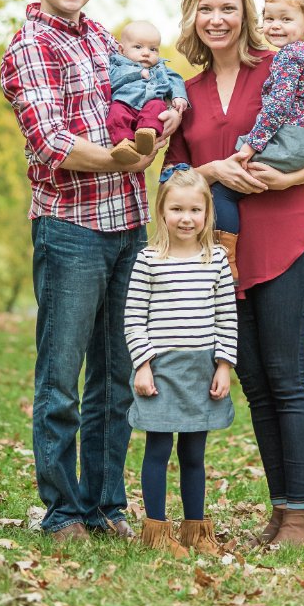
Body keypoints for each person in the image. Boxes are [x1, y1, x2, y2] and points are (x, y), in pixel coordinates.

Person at [0, 0, 182, 544]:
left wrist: (168, 114)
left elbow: (148, 91)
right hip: (71, 230)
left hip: (128, 228)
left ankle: (106, 506)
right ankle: (62, 511)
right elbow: (48, 141)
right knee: (60, 377)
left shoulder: (105, 38)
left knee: (116, 375)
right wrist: (120, 160)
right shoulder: (30, 45)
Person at [166, 0, 304, 547]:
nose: (217, 19)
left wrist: (282, 179)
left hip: (287, 237)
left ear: (247, 15)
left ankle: (300, 517)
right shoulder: (183, 92)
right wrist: (208, 171)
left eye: (228, 8)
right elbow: (171, 172)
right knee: (253, 381)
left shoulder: (283, 64)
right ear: (193, 16)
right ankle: (280, 509)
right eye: (205, 8)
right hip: (221, 258)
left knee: (286, 377)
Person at [124, 166, 237, 558]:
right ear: (162, 211)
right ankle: (156, 531)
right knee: (157, 448)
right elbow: (134, 317)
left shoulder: (216, 260)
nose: (185, 218)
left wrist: (224, 364)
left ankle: (196, 531)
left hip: (200, 371)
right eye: (176, 209)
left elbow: (226, 318)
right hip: (161, 370)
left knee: (193, 454)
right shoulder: (149, 260)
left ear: (207, 213)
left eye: (194, 210)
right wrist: (142, 364)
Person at [211, 0, 304, 286]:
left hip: (295, 138)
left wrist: (250, 147)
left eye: (285, 19)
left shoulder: (286, 58)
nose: (275, 26)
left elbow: (276, 109)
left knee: (222, 190)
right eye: (269, 18)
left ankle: (226, 263)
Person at [107, 20, 189, 165]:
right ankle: (124, 144)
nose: (146, 53)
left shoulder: (159, 67)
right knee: (116, 113)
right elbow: (113, 81)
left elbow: (175, 79)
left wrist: (179, 96)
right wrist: (137, 73)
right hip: (125, 102)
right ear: (122, 50)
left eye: (153, 49)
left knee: (157, 106)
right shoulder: (117, 64)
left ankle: (146, 134)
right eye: (138, 47)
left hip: (150, 102)